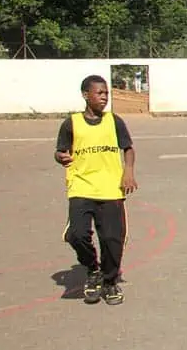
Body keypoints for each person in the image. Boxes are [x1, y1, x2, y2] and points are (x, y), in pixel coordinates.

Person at [53, 75, 138, 305]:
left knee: (112, 239)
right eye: (99, 93)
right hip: (81, 186)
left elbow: (128, 148)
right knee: (77, 235)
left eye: (106, 93)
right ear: (85, 95)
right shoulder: (71, 123)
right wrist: (61, 157)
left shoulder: (115, 121)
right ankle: (93, 269)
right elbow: (60, 151)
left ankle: (110, 282)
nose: (104, 97)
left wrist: (128, 171)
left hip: (111, 188)